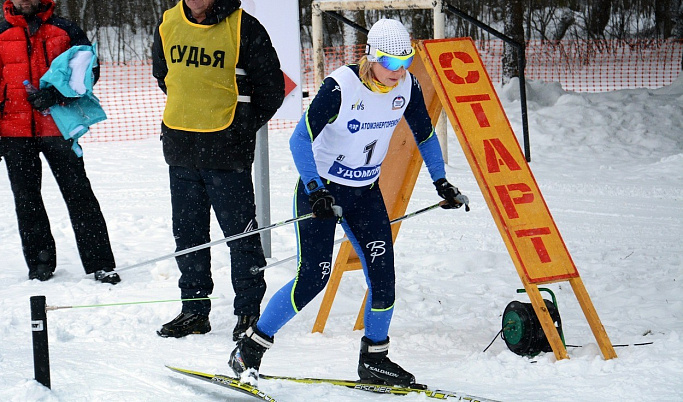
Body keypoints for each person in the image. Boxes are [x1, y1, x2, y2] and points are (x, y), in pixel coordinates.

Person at [229, 18, 469, 387]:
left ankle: (374, 359)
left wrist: (441, 181)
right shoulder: (341, 86)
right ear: (371, 57)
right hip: (321, 188)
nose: (398, 70)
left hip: (364, 192)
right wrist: (316, 189)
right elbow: (299, 139)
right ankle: (250, 348)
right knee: (313, 277)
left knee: (383, 276)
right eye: (390, 62)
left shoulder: (407, 86)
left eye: (404, 61)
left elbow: (425, 134)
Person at [152, 0, 285, 340]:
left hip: (227, 153)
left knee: (240, 236)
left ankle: (248, 313)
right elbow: (163, 76)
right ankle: (194, 310)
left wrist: (239, 128)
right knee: (189, 236)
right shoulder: (168, 22)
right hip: (181, 150)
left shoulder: (244, 26)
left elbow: (271, 89)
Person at [0, 0, 120, 284]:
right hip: (14, 133)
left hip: (59, 128)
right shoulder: (1, 32)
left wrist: (58, 94)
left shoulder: (65, 29)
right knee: (27, 201)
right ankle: (40, 264)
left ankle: (100, 263)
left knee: (80, 196)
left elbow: (89, 69)